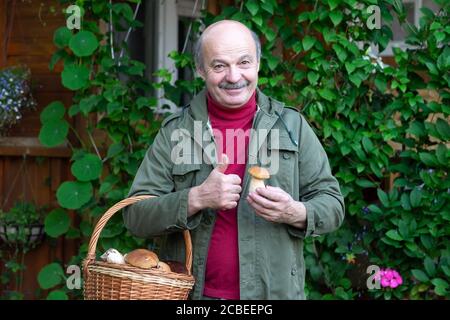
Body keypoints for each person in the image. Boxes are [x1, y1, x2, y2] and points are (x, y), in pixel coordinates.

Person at [123, 20, 345, 300]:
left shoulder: (291, 126)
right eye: (219, 66)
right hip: (193, 297)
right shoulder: (177, 132)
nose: (234, 76)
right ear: (201, 70)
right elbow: (135, 216)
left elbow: (333, 204)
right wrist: (195, 198)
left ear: (258, 64)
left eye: (244, 62)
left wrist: (294, 212)